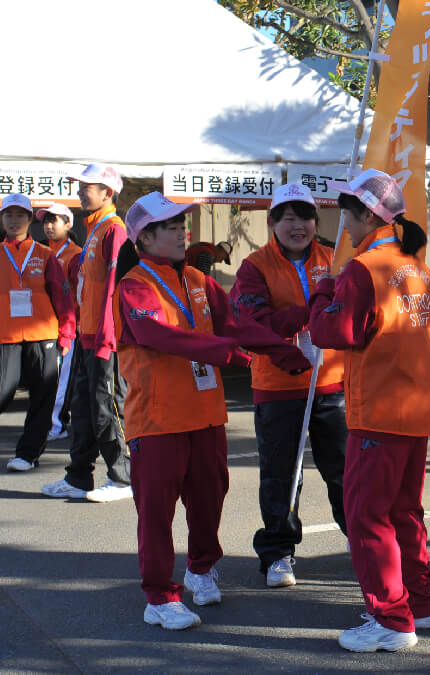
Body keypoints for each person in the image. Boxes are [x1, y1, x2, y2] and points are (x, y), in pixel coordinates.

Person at [113, 191, 308, 630]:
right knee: (157, 512)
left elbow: (237, 325)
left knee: (209, 500)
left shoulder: (201, 282)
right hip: (157, 420)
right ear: (144, 238)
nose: (183, 232)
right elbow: (161, 336)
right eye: (172, 227)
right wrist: (224, 352)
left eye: (183, 224)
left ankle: (200, 569)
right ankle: (159, 597)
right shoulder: (132, 287)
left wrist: (280, 351)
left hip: (205, 415)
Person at [308, 169, 430, 653]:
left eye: (347, 212)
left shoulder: (364, 268)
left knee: (367, 515)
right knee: (405, 511)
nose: (342, 222)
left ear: (368, 214)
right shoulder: (419, 268)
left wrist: (322, 292)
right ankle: (419, 605)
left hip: (379, 411)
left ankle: (389, 616)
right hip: (418, 409)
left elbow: (333, 333)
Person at [230, 183, 348, 588]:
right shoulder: (253, 266)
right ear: (273, 222)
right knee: (281, 474)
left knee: (345, 471)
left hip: (332, 383)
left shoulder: (335, 258)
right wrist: (310, 312)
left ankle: (364, 544)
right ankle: (279, 553)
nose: (299, 226)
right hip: (278, 387)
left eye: (307, 217)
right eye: (290, 217)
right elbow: (252, 325)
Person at [41, 164, 132, 502]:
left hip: (105, 338)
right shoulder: (94, 230)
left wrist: (109, 337)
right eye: (80, 186)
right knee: (82, 409)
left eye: (88, 187)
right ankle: (78, 477)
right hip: (87, 335)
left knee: (107, 405)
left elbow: (116, 288)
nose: (81, 191)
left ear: (107, 193)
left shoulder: (114, 231)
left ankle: (124, 478)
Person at [1, 194, 76, 472]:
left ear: (30, 220)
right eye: (8, 215)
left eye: (20, 215)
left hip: (44, 336)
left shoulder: (45, 255)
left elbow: (63, 297)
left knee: (43, 397)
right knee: (2, 392)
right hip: (5, 336)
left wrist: (67, 334)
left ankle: (28, 454)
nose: (14, 220)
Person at [37, 203, 82, 441]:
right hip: (42, 326)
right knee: (46, 378)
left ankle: (56, 425)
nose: (49, 225)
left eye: (54, 220)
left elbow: (80, 294)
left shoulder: (75, 254)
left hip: (67, 326)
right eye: (46, 220)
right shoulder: (42, 251)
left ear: (68, 224)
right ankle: (48, 423)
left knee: (60, 379)